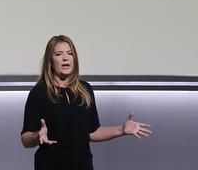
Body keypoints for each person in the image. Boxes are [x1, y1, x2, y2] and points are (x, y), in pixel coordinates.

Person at [21, 35, 152, 170]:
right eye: (59, 54)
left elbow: (92, 132)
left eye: (70, 53)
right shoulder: (39, 92)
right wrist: (37, 136)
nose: (65, 58)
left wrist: (121, 129)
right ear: (50, 60)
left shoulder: (85, 90)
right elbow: (25, 139)